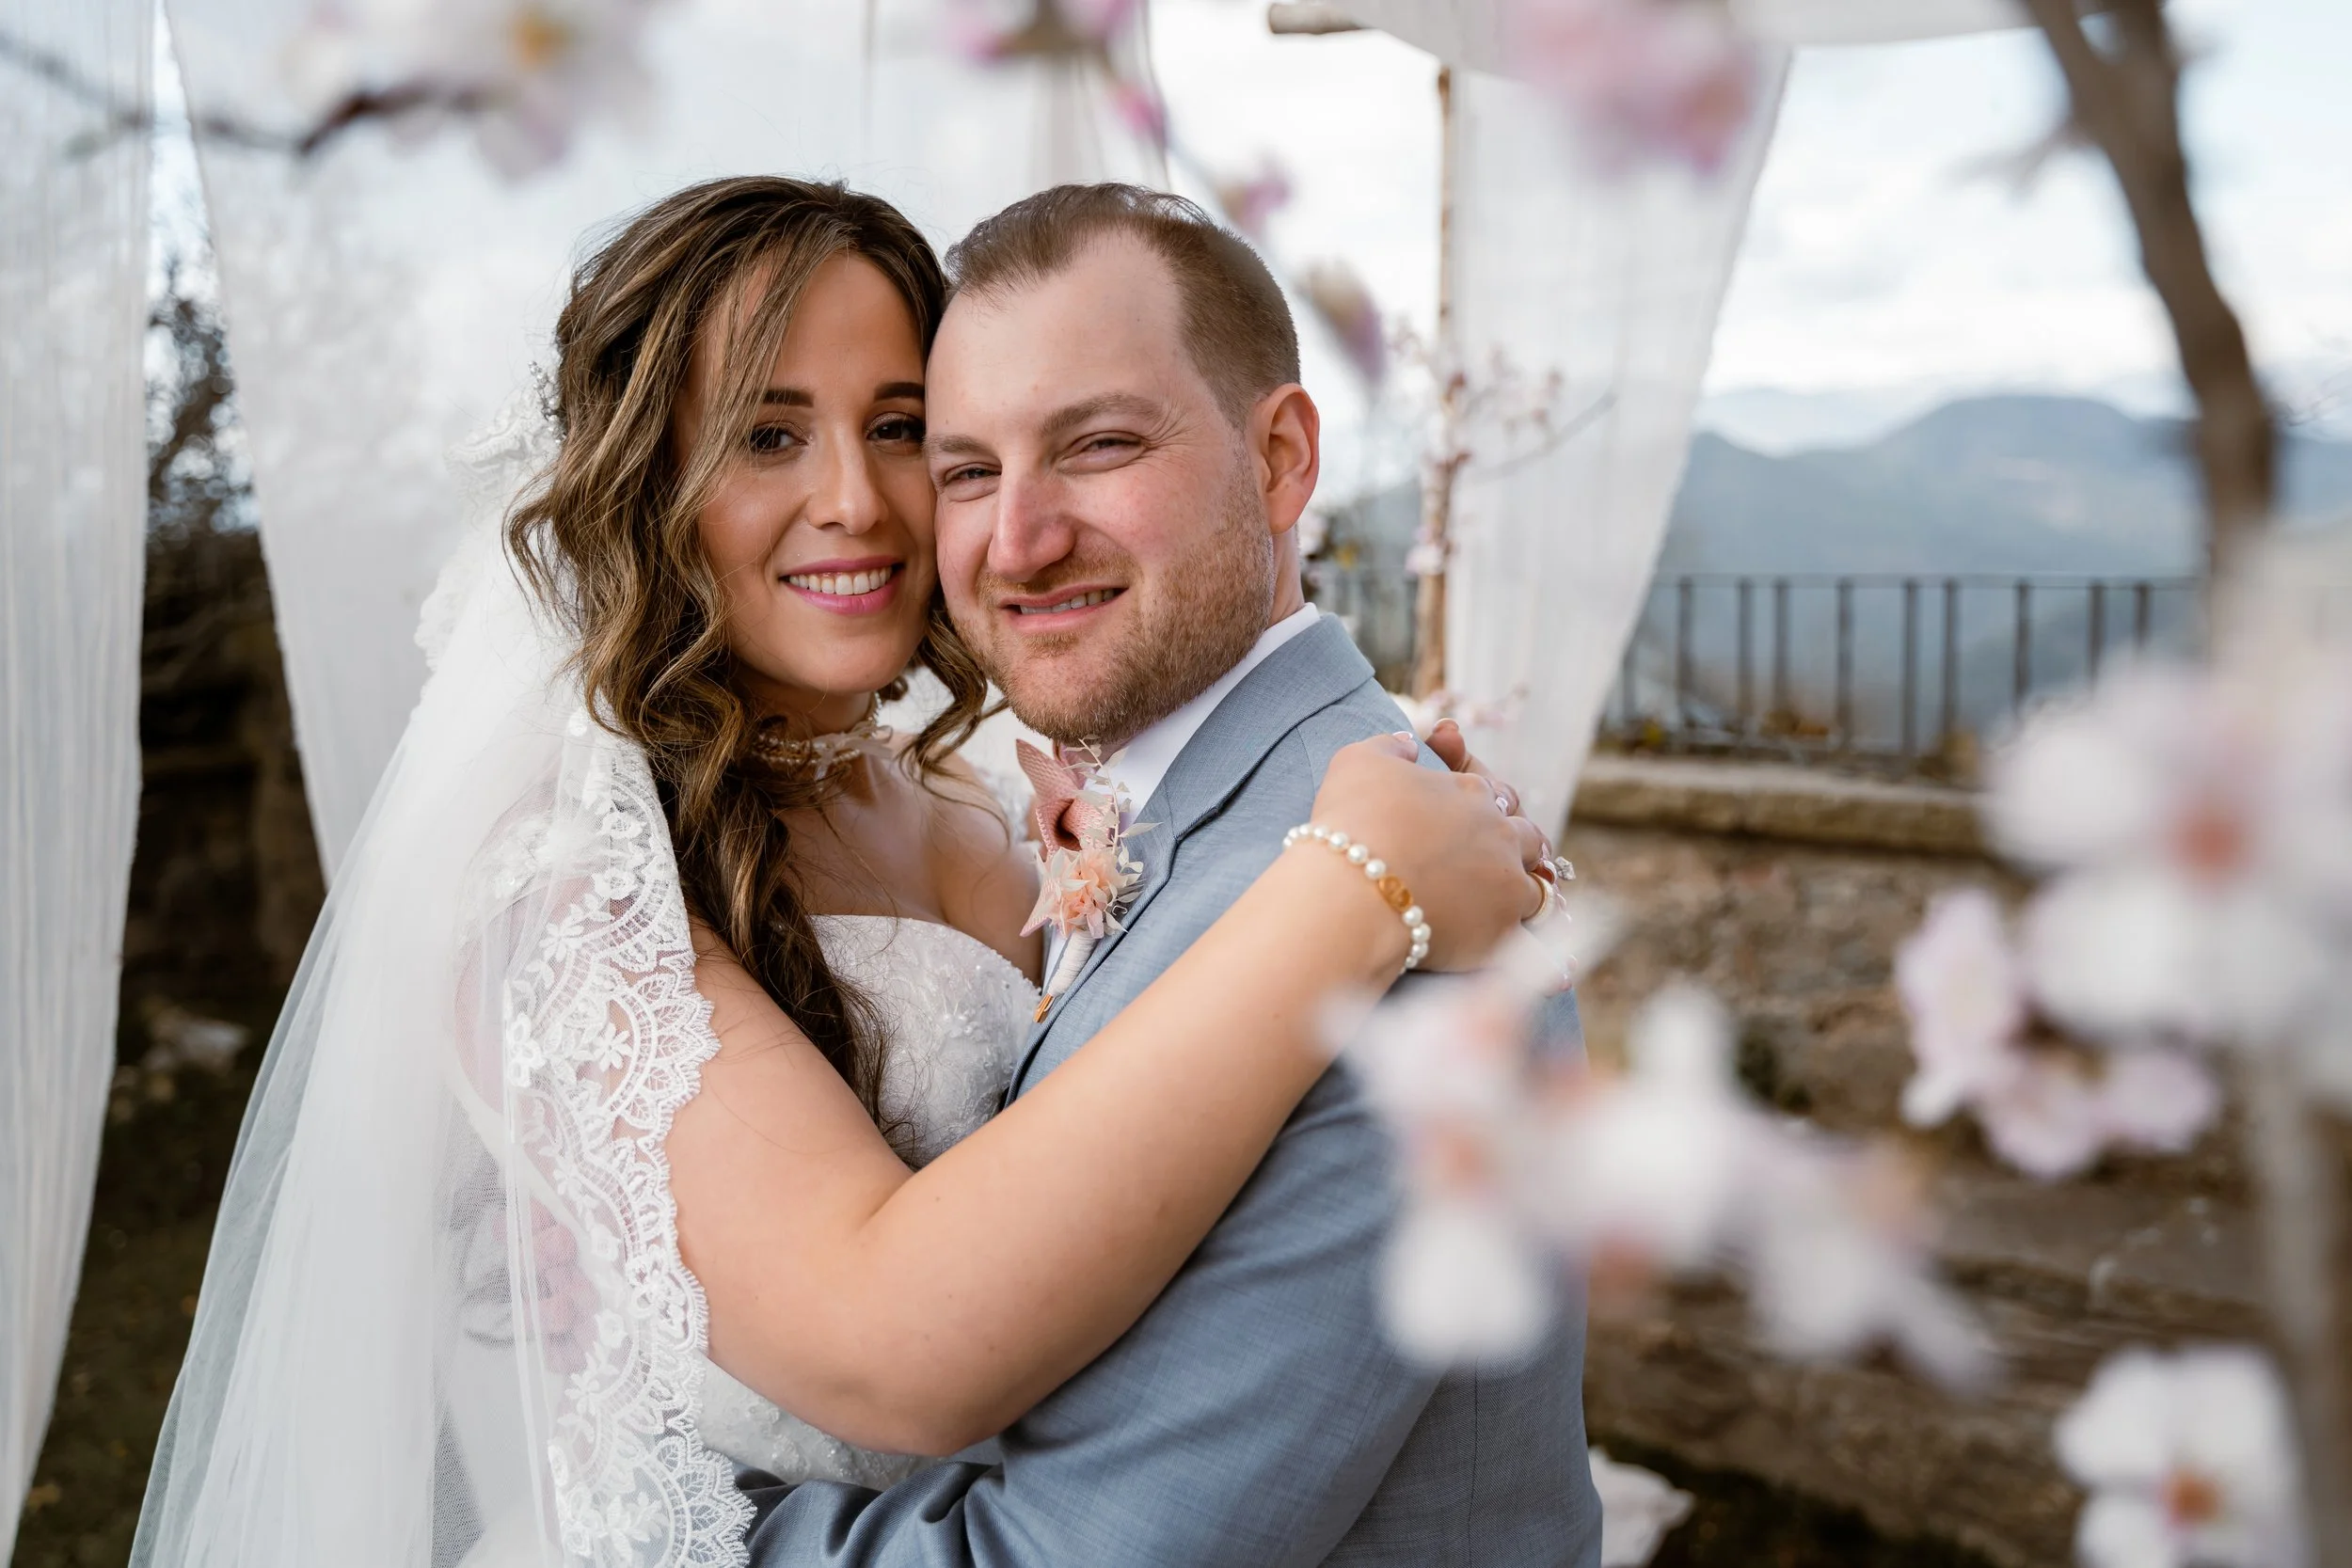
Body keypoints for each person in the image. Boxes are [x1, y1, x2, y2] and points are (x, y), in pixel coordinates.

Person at [130, 176, 1572, 1568]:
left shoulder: (976, 808)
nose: (859, 502)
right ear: (646, 482)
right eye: (766, 435)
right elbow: (890, 1336)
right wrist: (1347, 892)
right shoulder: (568, 879)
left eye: (896, 429)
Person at [735, 182, 1605, 1567]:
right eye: (966, 471)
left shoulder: (1406, 943)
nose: (1018, 542)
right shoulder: (1094, 817)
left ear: (1281, 460)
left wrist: (623, 1523)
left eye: (1098, 446)